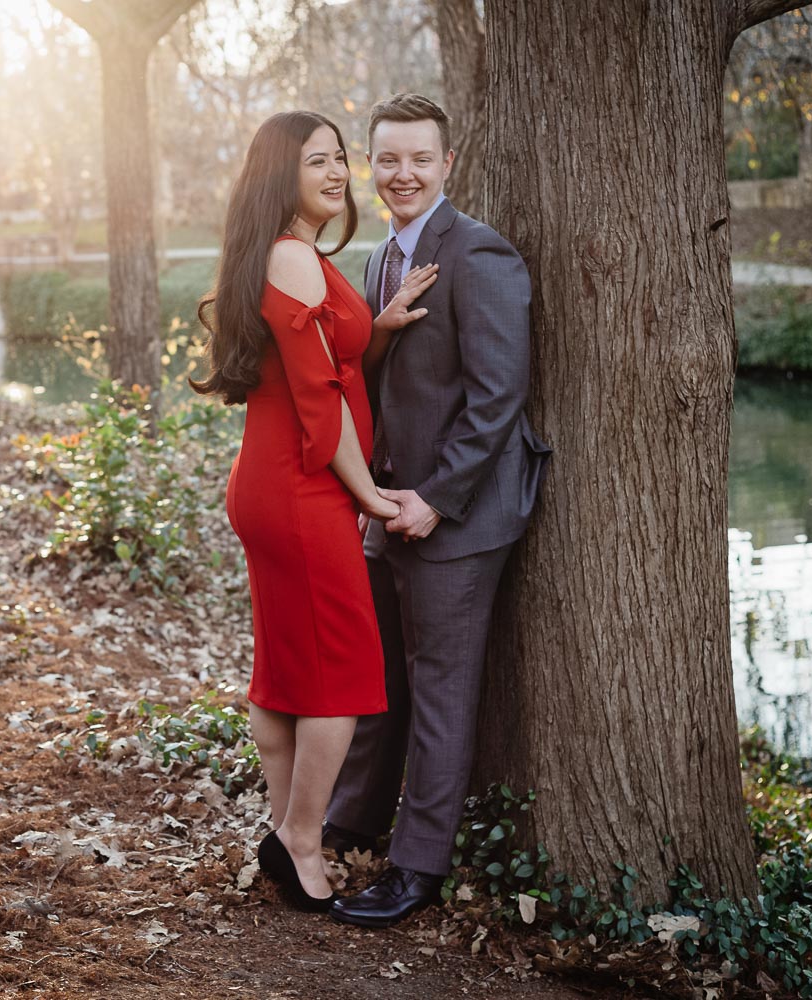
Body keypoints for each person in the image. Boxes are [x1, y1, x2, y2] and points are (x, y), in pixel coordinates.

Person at [190, 111, 436, 912]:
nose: (337, 174)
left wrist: (380, 325)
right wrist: (368, 494)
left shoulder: (283, 256)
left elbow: (321, 359)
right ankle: (302, 839)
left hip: (270, 486)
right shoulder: (294, 259)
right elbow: (316, 397)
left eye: (339, 160)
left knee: (285, 668)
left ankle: (282, 830)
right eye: (317, 162)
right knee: (341, 677)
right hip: (302, 491)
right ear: (281, 177)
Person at [325, 94, 552, 928]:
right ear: (370, 165)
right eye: (388, 159)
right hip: (390, 505)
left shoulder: (480, 253)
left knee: (441, 691)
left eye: (419, 158)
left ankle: (416, 867)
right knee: (381, 680)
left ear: (447, 163)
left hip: (458, 516)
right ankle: (351, 819)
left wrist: (437, 500)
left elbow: (499, 399)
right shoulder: (386, 255)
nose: (403, 173)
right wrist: (373, 494)